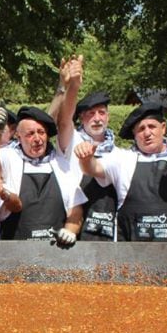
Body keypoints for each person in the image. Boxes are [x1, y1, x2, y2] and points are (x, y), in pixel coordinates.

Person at [75, 102, 167, 242]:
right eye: (141, 129)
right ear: (134, 134)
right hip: (131, 254)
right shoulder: (123, 159)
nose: (147, 133)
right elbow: (93, 168)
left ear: (163, 128)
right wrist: (86, 158)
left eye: (152, 127)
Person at [0, 105, 84, 245]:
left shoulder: (61, 164)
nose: (37, 138)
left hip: (56, 252)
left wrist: (70, 231)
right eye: (30, 134)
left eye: (41, 132)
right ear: (18, 136)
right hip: (13, 249)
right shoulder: (8, 157)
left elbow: (75, 208)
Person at [59, 56, 118, 241]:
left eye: (101, 113)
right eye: (91, 114)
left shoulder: (119, 153)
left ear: (108, 117)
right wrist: (73, 86)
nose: (97, 119)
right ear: (82, 119)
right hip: (74, 225)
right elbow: (63, 121)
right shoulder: (72, 140)